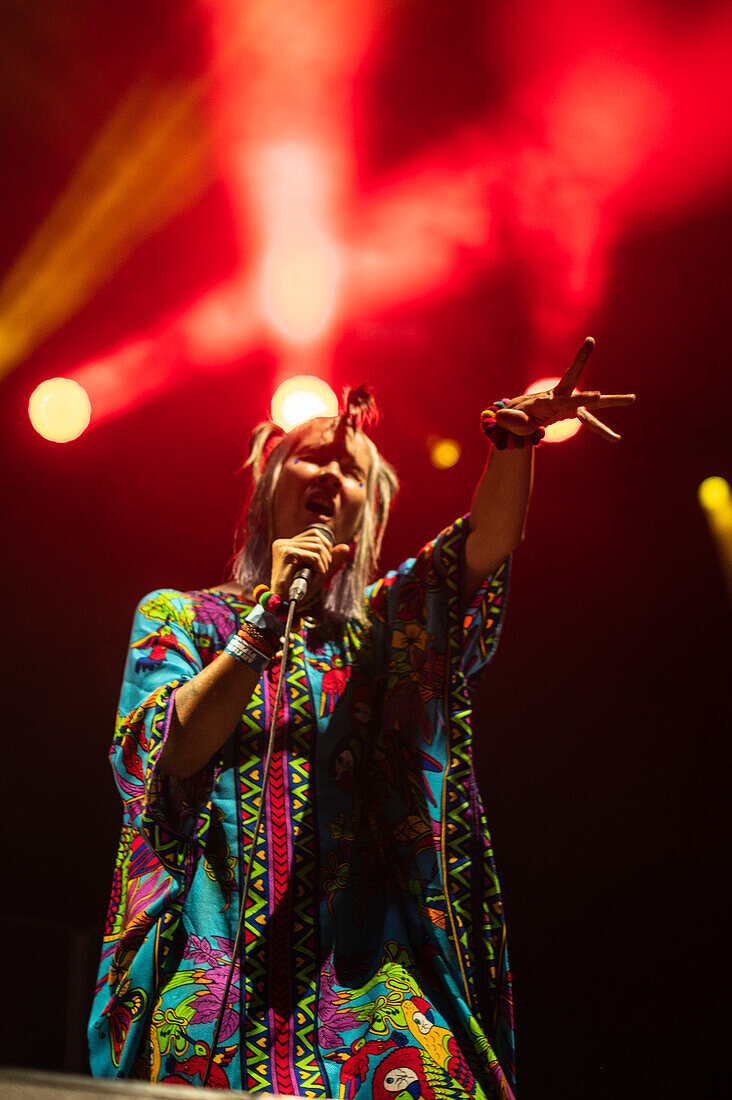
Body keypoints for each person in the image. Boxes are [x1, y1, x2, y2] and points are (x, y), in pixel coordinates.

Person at [88, 338, 634, 1096]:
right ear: (269, 489)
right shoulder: (182, 619)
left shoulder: (386, 632)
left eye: (352, 473)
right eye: (313, 459)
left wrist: (516, 439)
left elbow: (487, 542)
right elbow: (167, 756)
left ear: (368, 517)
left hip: (371, 986)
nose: (332, 474)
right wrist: (268, 619)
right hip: (211, 975)